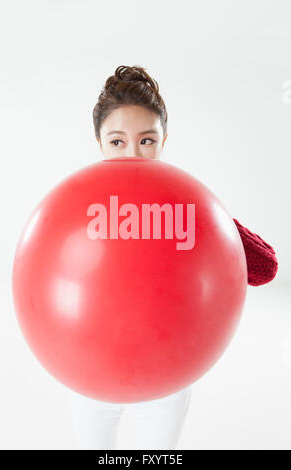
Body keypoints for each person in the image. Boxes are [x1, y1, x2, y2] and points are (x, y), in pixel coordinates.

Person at [67, 65, 278, 450]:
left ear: (164, 141)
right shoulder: (75, 208)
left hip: (166, 374)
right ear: (99, 142)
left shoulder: (183, 207)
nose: (132, 153)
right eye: (117, 142)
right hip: (90, 371)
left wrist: (209, 215)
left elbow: (265, 269)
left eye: (146, 141)